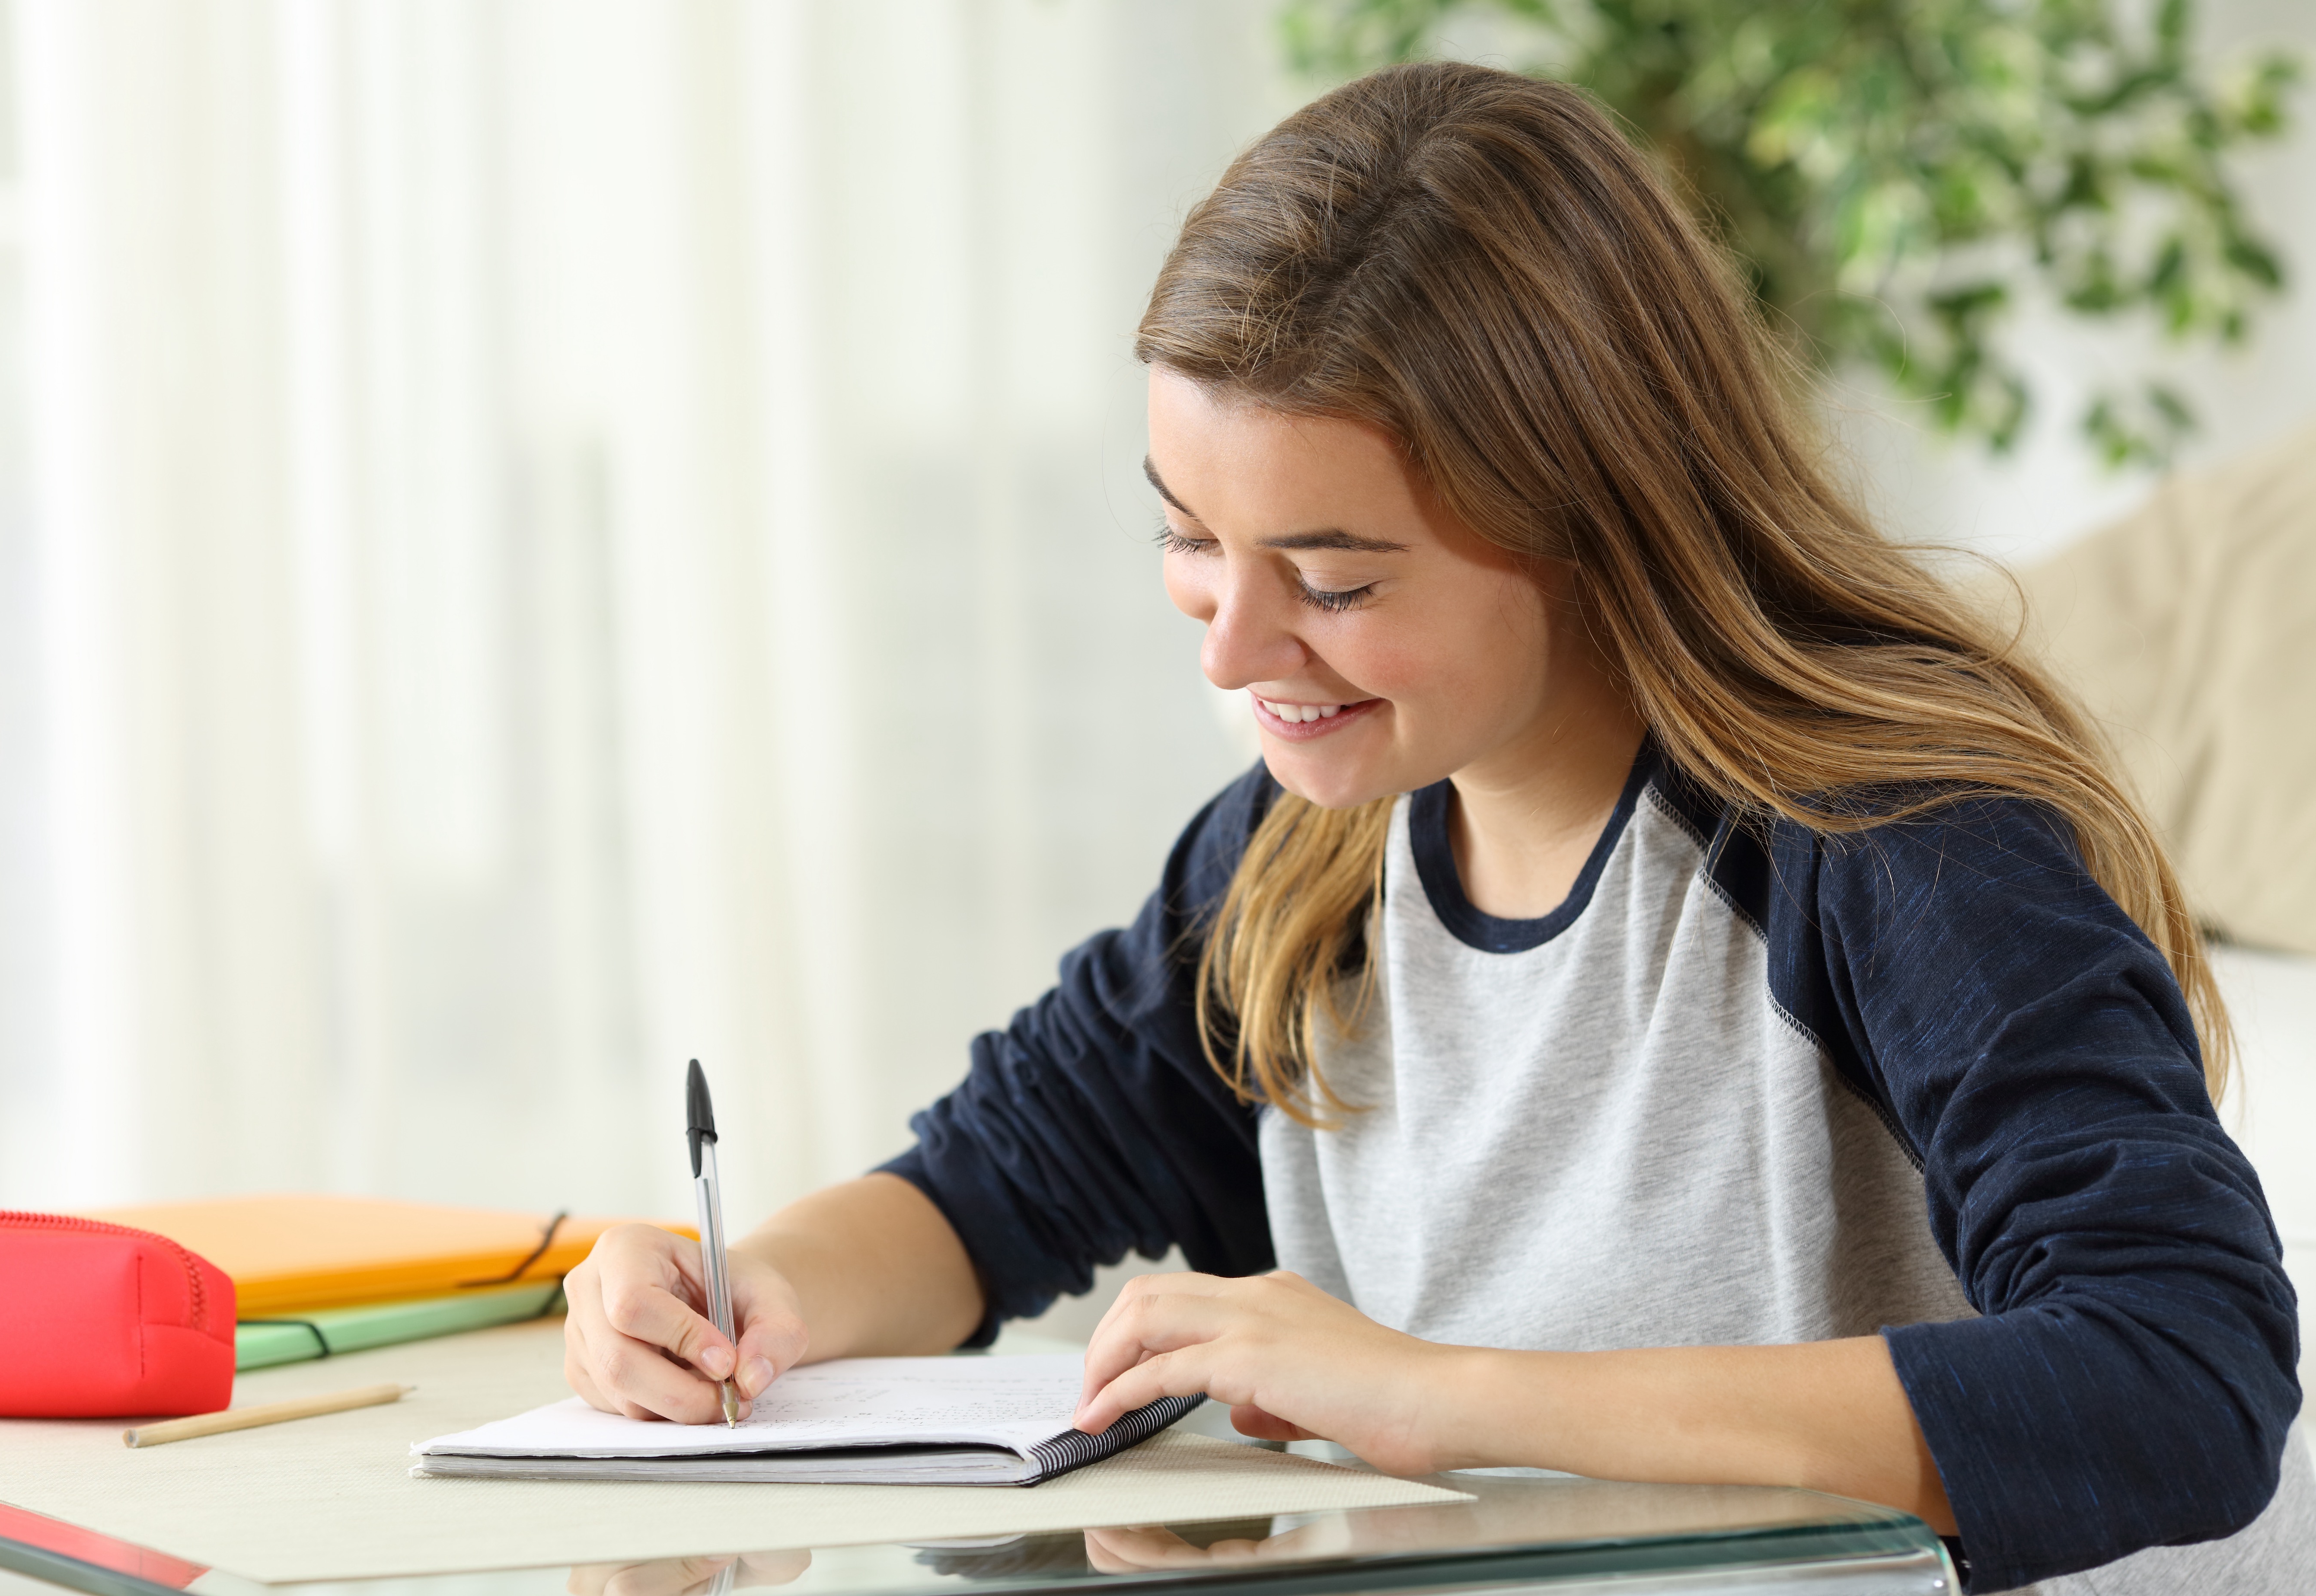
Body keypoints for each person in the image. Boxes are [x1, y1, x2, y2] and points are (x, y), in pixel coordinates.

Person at [561, 63, 2306, 1595]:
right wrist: (749, 1294)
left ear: (1589, 519)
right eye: (1189, 538)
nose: (1231, 651)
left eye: (1330, 580)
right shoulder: (1297, 863)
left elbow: (2179, 1376)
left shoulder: (1895, 843)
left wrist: (1436, 1392)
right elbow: (988, 1186)